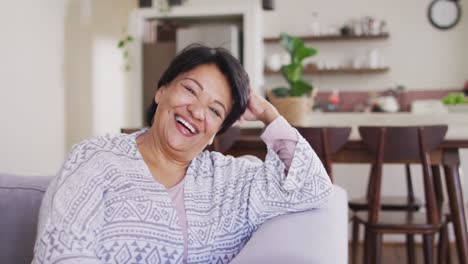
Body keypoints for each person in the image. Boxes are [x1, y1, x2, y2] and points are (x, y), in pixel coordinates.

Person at [32, 45, 333, 264]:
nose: (197, 111)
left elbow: (314, 188)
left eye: (215, 110)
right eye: (190, 90)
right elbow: (60, 252)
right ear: (161, 91)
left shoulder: (231, 180)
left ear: (217, 131)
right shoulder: (95, 157)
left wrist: (269, 114)